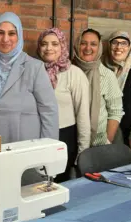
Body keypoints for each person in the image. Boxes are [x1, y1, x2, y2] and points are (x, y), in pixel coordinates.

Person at [0, 12, 58, 147]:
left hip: (24, 149)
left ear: (19, 36)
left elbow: (49, 112)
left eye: (12, 33)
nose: (5, 39)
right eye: (0, 33)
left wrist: (46, 152)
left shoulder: (34, 68)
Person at [37, 28, 90, 181]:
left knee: (59, 185)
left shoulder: (74, 73)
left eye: (55, 44)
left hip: (64, 137)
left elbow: (82, 115)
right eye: (44, 44)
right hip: (38, 136)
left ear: (63, 47)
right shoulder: (33, 71)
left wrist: (83, 152)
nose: (49, 48)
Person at [73, 28, 124, 146]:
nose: (88, 48)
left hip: (98, 143)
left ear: (99, 47)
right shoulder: (68, 71)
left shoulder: (107, 75)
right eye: (83, 43)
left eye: (93, 44)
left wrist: (107, 141)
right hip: (71, 141)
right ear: (77, 45)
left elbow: (115, 111)